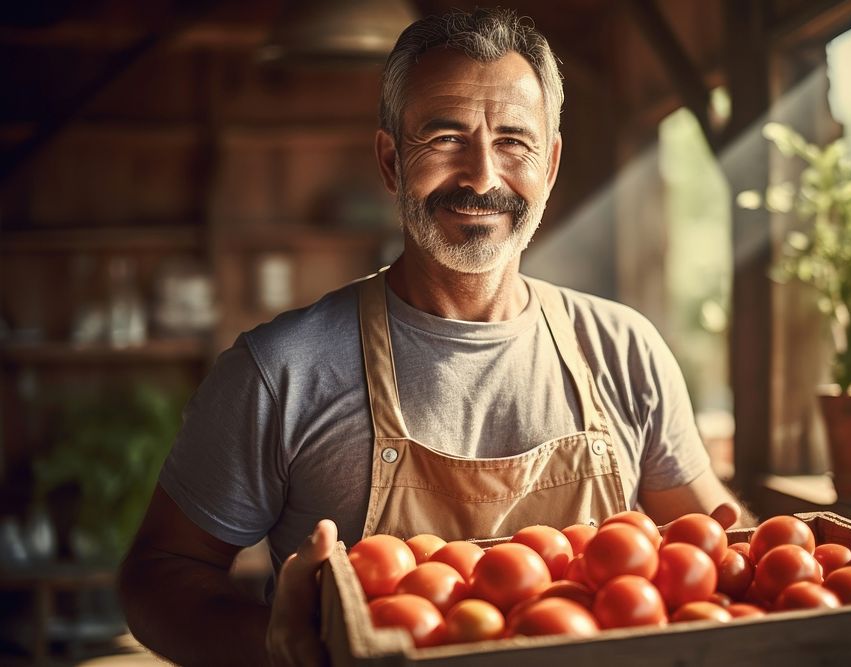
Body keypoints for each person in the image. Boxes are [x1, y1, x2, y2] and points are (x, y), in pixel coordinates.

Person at [119, 7, 745, 666]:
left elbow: (718, 556)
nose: (481, 177)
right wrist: (275, 644)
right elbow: (158, 575)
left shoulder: (625, 349)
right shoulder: (281, 370)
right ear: (391, 161)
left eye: (513, 140)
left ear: (551, 164)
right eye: (445, 137)